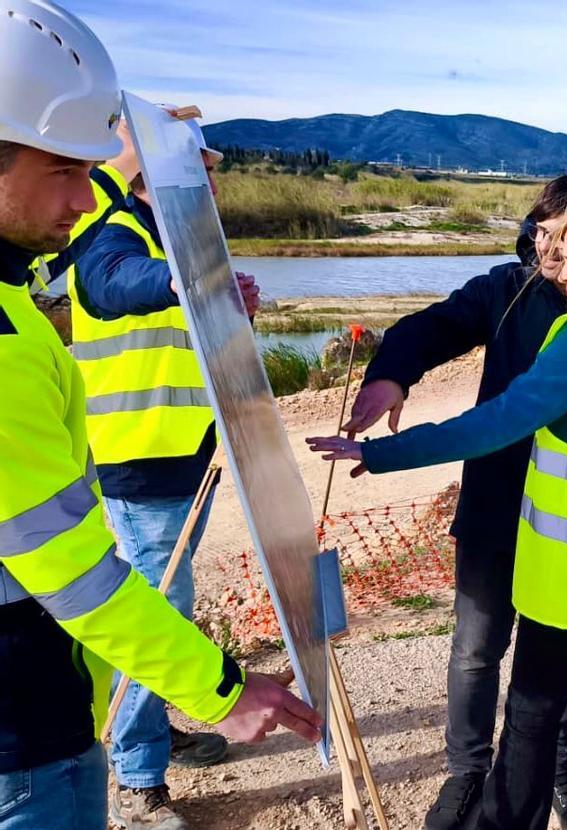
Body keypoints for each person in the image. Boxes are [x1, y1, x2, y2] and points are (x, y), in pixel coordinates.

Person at [0, 4, 322, 829]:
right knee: (154, 598)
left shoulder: (21, 288)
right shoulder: (90, 259)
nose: (84, 191)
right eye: (64, 169)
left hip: (46, 676)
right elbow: (71, 573)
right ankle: (145, 771)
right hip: (25, 712)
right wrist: (217, 689)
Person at [309, 179, 567, 829]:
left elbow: (496, 422)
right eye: (545, 242)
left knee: (531, 710)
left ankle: (524, 804)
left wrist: (383, 455)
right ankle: (480, 780)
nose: (557, 264)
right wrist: (391, 371)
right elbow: (435, 328)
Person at [339, 173, 567, 830]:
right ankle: (466, 775)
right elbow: (432, 327)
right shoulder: (505, 293)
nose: (544, 243)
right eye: (538, 228)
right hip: (493, 498)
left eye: (559, 231)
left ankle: (556, 771)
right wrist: (391, 374)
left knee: (558, 652)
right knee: (477, 646)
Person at [71, 109, 260, 829]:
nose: (211, 181)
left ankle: (145, 737)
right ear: (156, 173)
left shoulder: (169, 238)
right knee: (156, 609)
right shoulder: (117, 233)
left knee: (165, 599)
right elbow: (110, 282)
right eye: (202, 169)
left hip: (184, 451)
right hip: (139, 457)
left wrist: (224, 303)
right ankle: (137, 777)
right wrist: (184, 283)